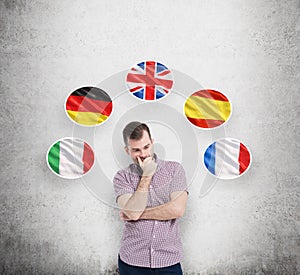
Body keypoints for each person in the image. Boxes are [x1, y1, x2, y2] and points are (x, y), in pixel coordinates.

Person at [113, 121, 188, 275]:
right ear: (127, 150)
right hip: (132, 262)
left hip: (168, 261)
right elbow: (133, 214)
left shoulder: (174, 170)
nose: (143, 154)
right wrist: (147, 175)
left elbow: (177, 209)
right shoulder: (122, 177)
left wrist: (139, 213)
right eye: (136, 150)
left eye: (146, 147)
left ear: (152, 142)